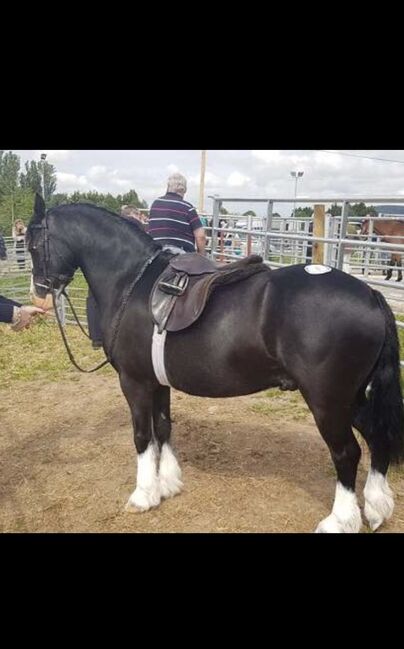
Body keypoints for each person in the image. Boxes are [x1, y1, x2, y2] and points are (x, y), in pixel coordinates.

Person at [148, 173, 207, 255]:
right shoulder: (188, 208)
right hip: (182, 254)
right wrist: (202, 255)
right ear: (184, 190)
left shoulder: (155, 204)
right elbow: (201, 236)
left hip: (156, 253)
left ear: (168, 187)